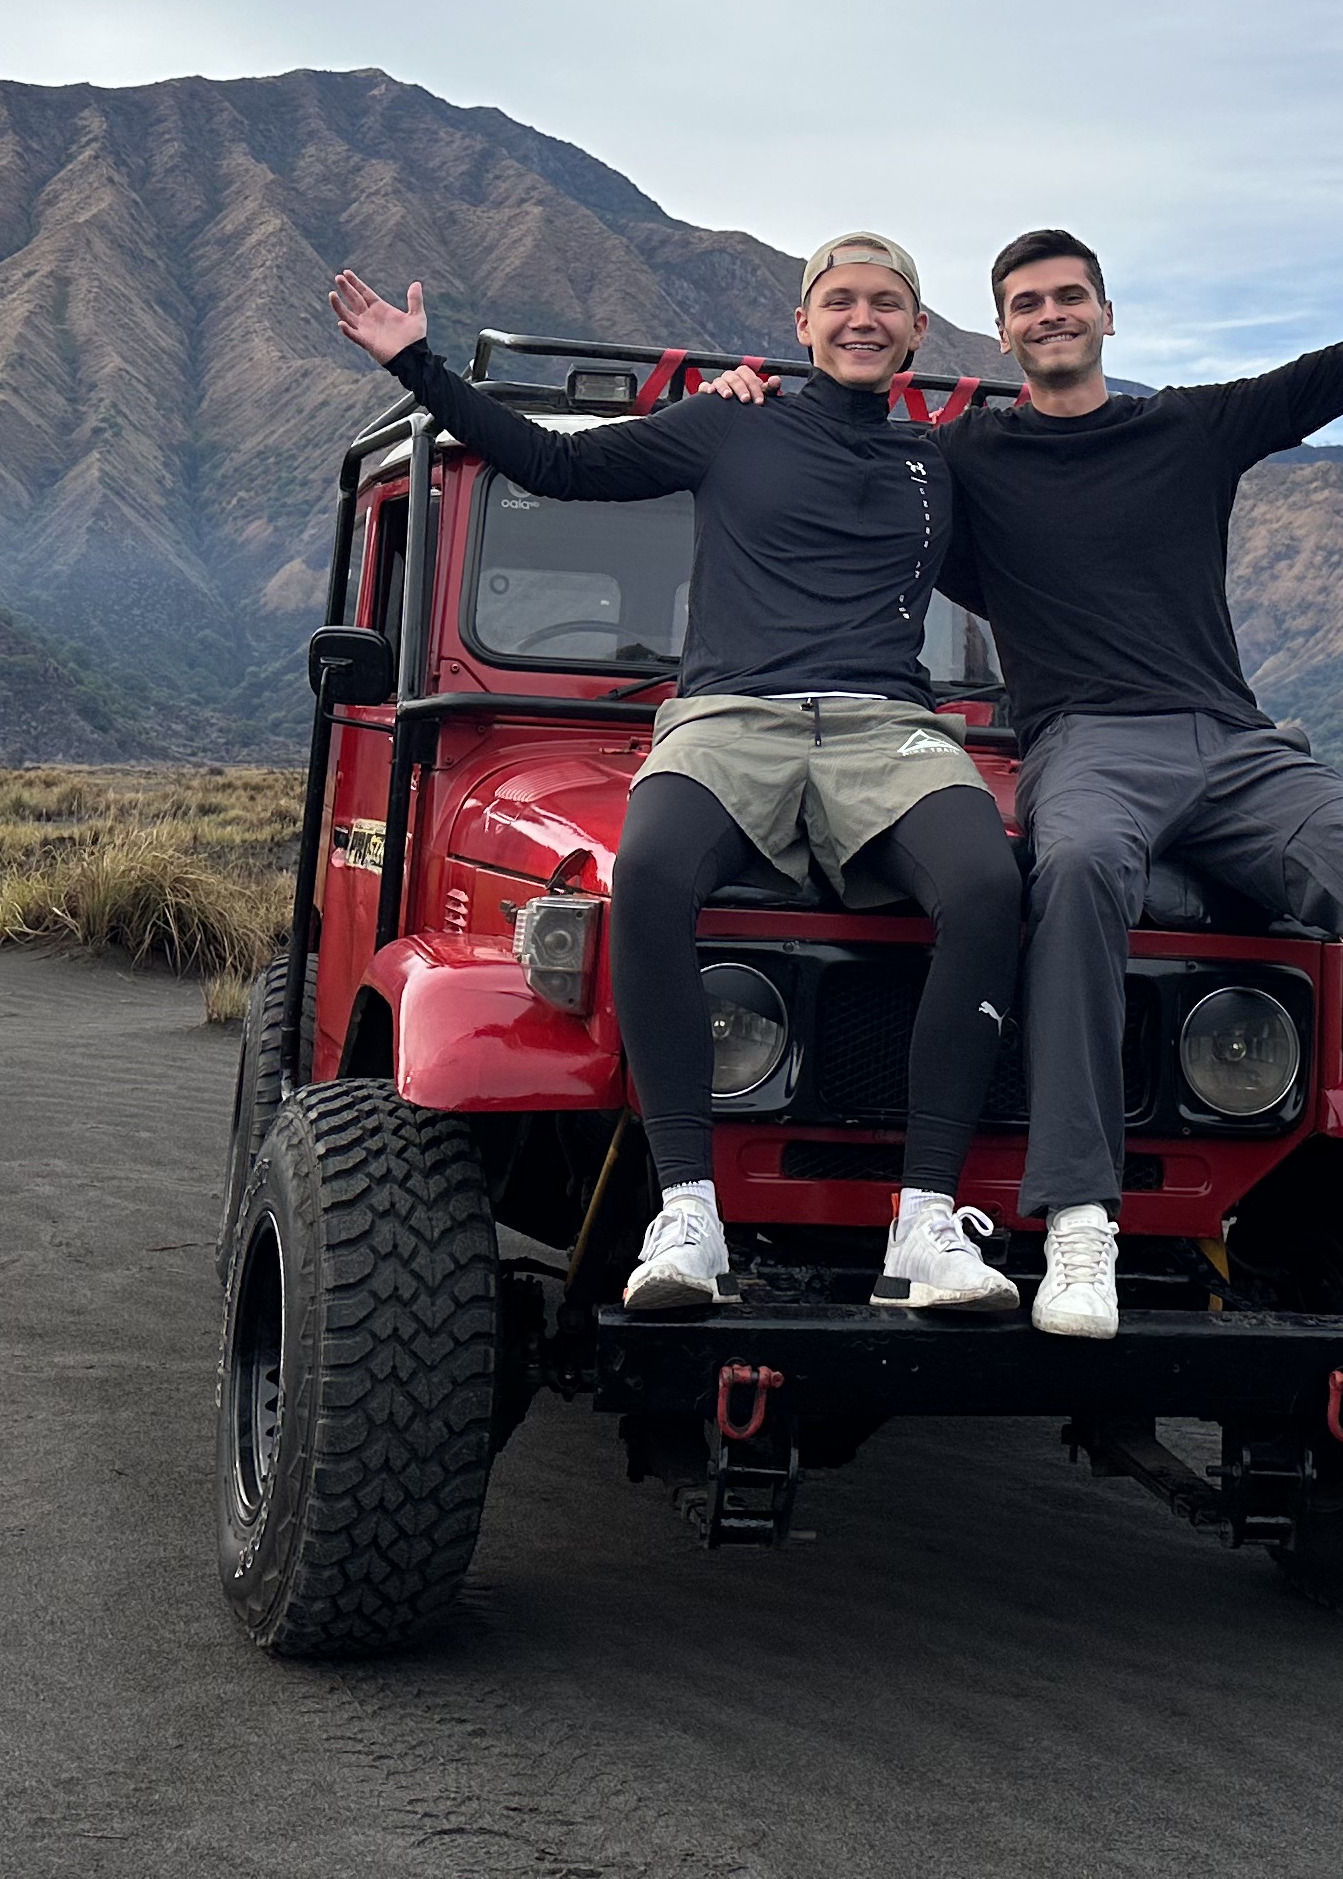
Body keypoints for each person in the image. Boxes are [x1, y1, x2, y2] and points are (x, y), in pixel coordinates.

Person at [944, 83, 1343, 1366]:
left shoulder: (1192, 426)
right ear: (1001, 332)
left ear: (1106, 313)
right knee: (1085, 866)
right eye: (1027, 304)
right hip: (1086, 745)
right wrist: (761, 416)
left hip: (1233, 739)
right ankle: (1082, 1217)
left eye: (1070, 297)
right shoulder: (968, 462)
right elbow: (842, 489)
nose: (1052, 317)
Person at [325, 235, 1026, 1320]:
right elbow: (561, 467)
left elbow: (1058, 557)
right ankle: (686, 1206)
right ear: (801, 326)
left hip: (888, 725)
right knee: (646, 871)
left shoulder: (939, 463)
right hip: (729, 715)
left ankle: (926, 1220)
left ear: (916, 329)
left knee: (988, 884)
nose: (863, 319)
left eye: (887, 304)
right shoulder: (730, 426)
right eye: (839, 301)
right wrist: (417, 366)